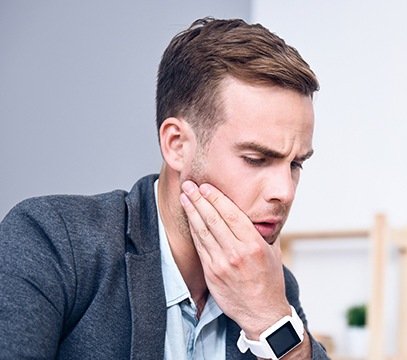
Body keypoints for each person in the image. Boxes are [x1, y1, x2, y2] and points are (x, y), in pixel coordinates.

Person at [0, 17, 329, 359]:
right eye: (256, 158)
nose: (285, 192)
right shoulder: (53, 241)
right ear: (176, 145)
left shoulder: (271, 285)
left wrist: (270, 319)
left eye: (295, 164)